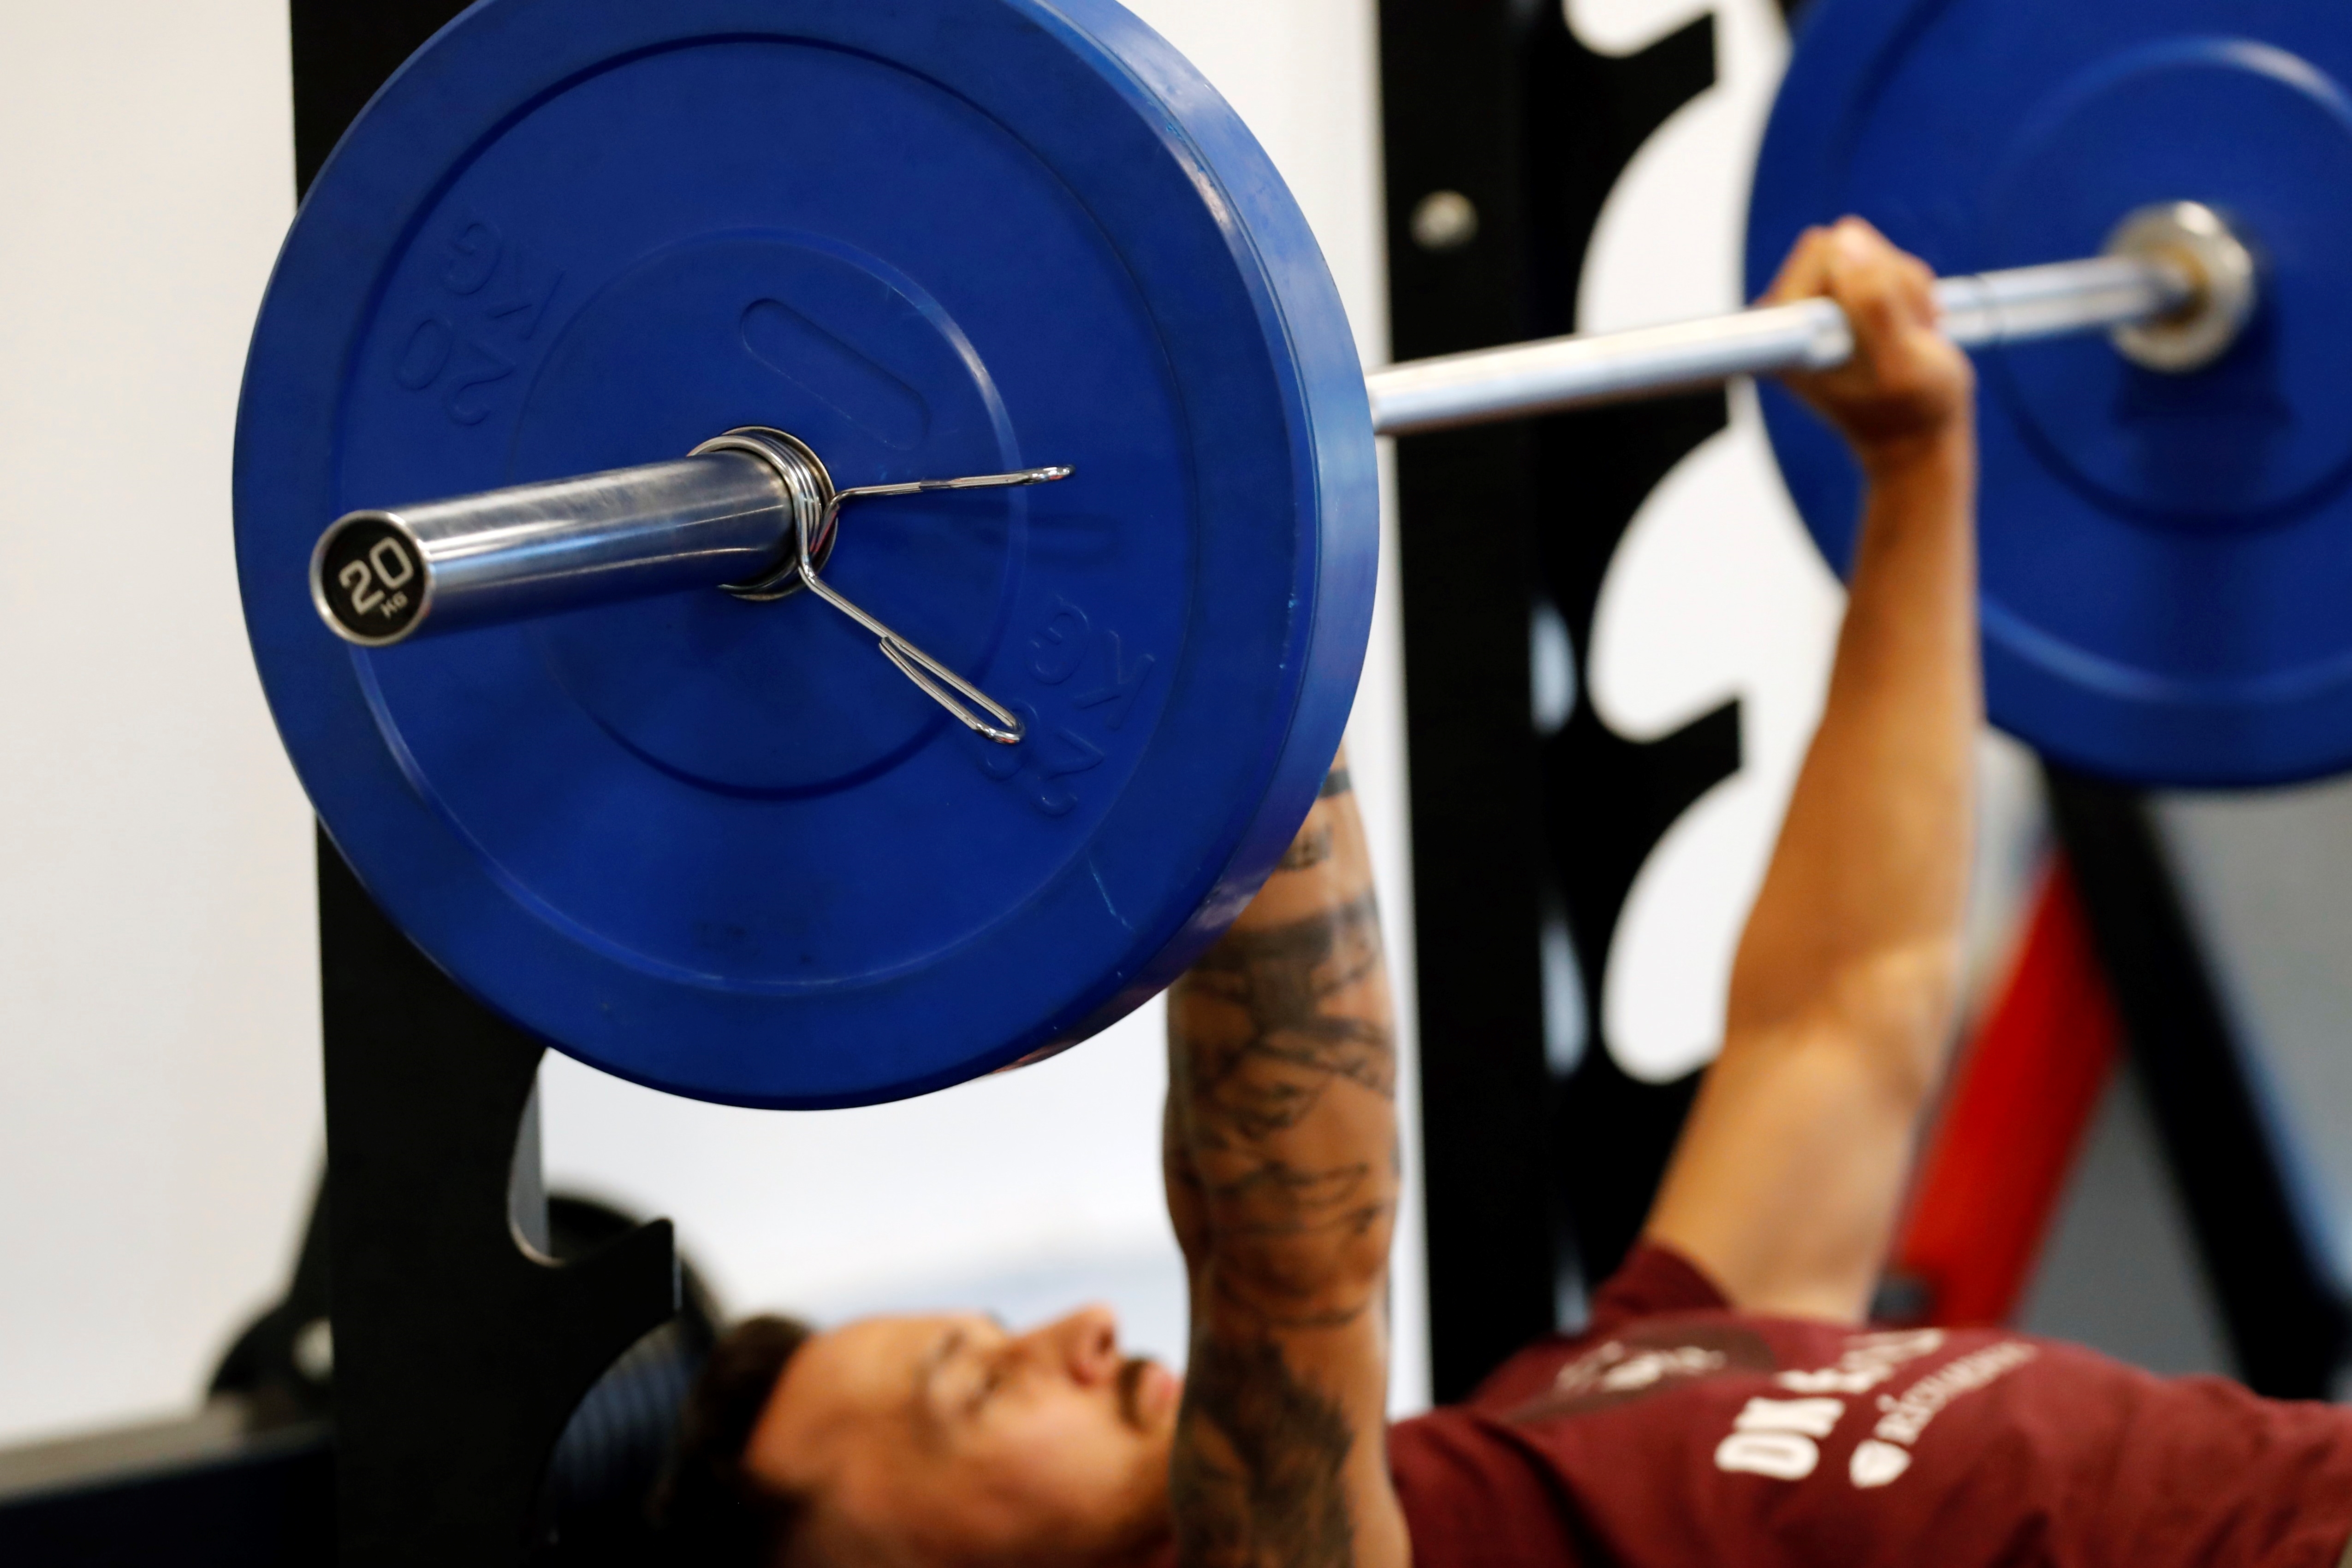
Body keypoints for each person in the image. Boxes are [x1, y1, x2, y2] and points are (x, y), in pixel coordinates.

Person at [653, 221, 2352, 1568]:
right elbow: (1288, 1251)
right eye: (977, 1386)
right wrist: (1207, 559)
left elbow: (1845, 1019)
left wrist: (1915, 467)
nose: (1077, 1331)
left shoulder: (1581, 1407)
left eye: (995, 1334)